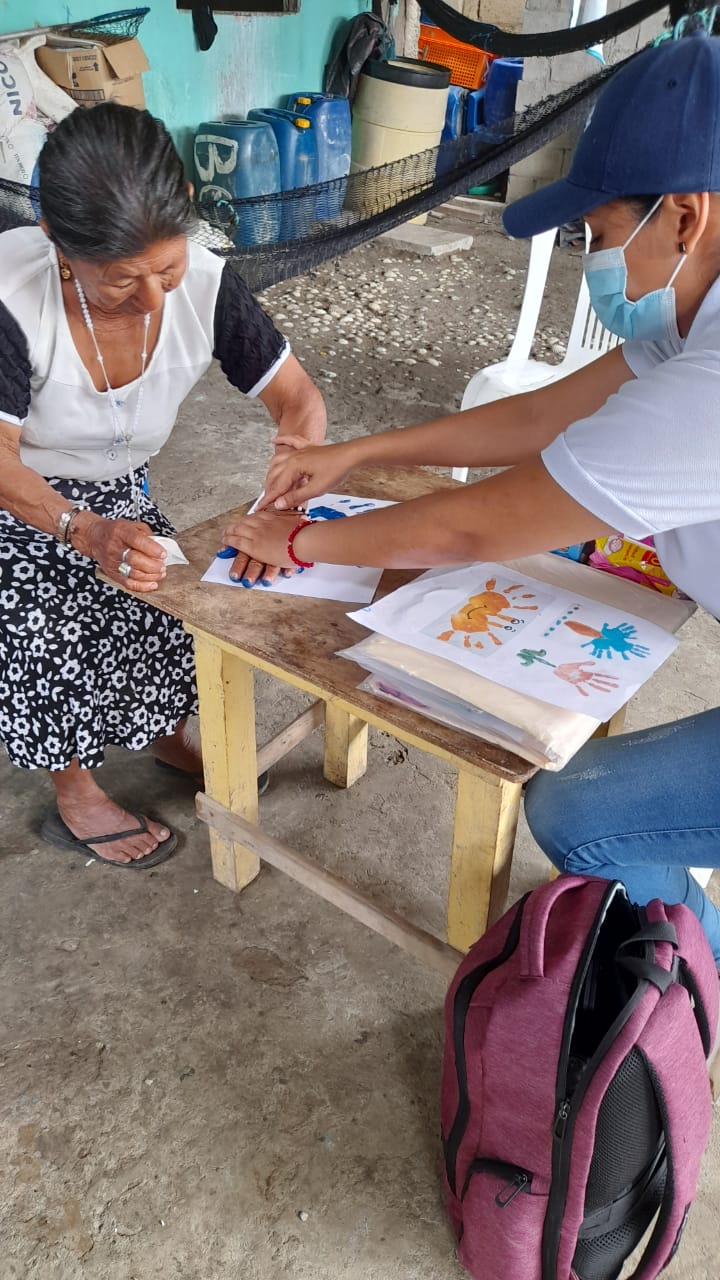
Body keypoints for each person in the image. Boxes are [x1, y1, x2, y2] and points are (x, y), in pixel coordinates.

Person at [222, 31, 720, 963]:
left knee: (579, 809)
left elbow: (469, 528)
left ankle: (694, 976)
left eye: (599, 235)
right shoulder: (692, 308)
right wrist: (353, 454)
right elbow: (541, 415)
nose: (594, 262)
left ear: (685, 216)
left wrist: (296, 543)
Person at [0, 102, 326, 869]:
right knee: (46, 621)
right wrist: (83, 528)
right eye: (120, 280)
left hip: (115, 483)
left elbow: (298, 398)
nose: (153, 299)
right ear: (56, 241)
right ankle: (75, 788)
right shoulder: (11, 298)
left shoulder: (209, 283)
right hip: (20, 493)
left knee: (168, 598)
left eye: (167, 270)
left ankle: (161, 732)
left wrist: (288, 482)